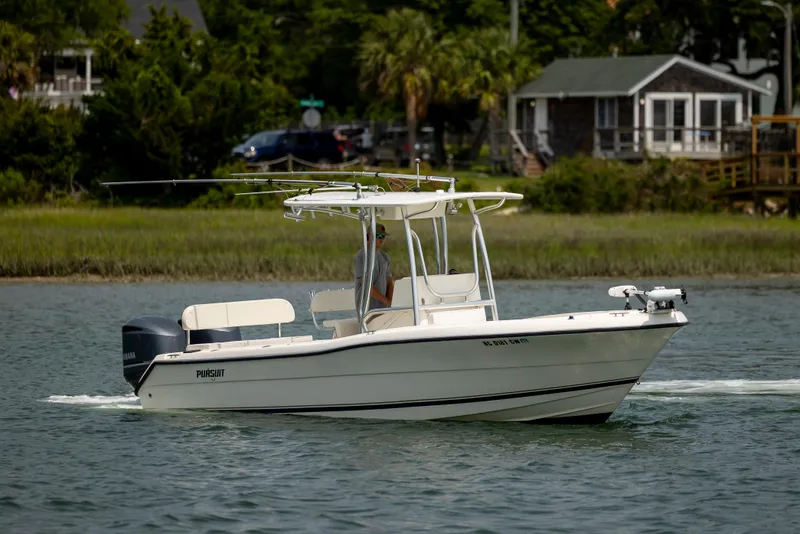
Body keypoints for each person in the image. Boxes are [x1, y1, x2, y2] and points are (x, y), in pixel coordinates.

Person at [354, 223, 394, 313]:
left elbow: (390, 283)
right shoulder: (361, 256)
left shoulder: (385, 257)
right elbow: (367, 285)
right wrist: (386, 301)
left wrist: (390, 303)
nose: (382, 240)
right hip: (366, 310)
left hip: (383, 309)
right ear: (369, 236)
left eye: (383, 236)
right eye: (379, 236)